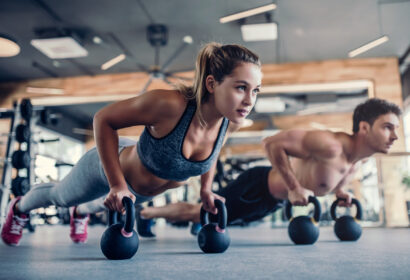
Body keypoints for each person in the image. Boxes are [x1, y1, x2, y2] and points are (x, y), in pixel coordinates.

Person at [1, 42, 262, 246]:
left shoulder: (229, 122)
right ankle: (20, 208)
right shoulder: (170, 105)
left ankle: (81, 214)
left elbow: (211, 154)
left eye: (256, 90)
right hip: (110, 166)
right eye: (241, 87)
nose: (250, 100)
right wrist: (116, 184)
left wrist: (206, 189)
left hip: (135, 193)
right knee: (61, 198)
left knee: (101, 203)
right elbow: (103, 119)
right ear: (211, 84)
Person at [137, 98, 401, 232]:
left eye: (396, 129)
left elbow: (324, 179)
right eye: (388, 127)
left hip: (270, 201)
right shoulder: (330, 144)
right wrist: (294, 187)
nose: (395, 136)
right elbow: (272, 143)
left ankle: (186, 221)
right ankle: (145, 215)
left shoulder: (357, 162)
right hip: (257, 186)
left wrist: (340, 192)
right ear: (364, 128)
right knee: (200, 212)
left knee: (220, 221)